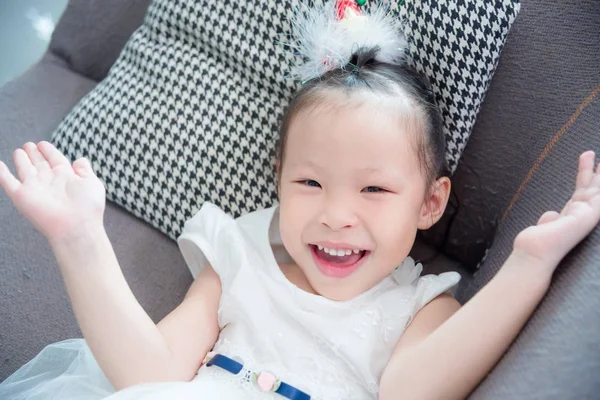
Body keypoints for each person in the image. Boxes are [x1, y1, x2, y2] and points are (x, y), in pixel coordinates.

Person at [1, 1, 599, 399]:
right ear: (279, 181)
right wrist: (81, 241)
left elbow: (414, 392)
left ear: (430, 203)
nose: (336, 215)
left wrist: (530, 265)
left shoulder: (422, 307)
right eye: (310, 183)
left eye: (375, 189)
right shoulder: (238, 264)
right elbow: (149, 374)